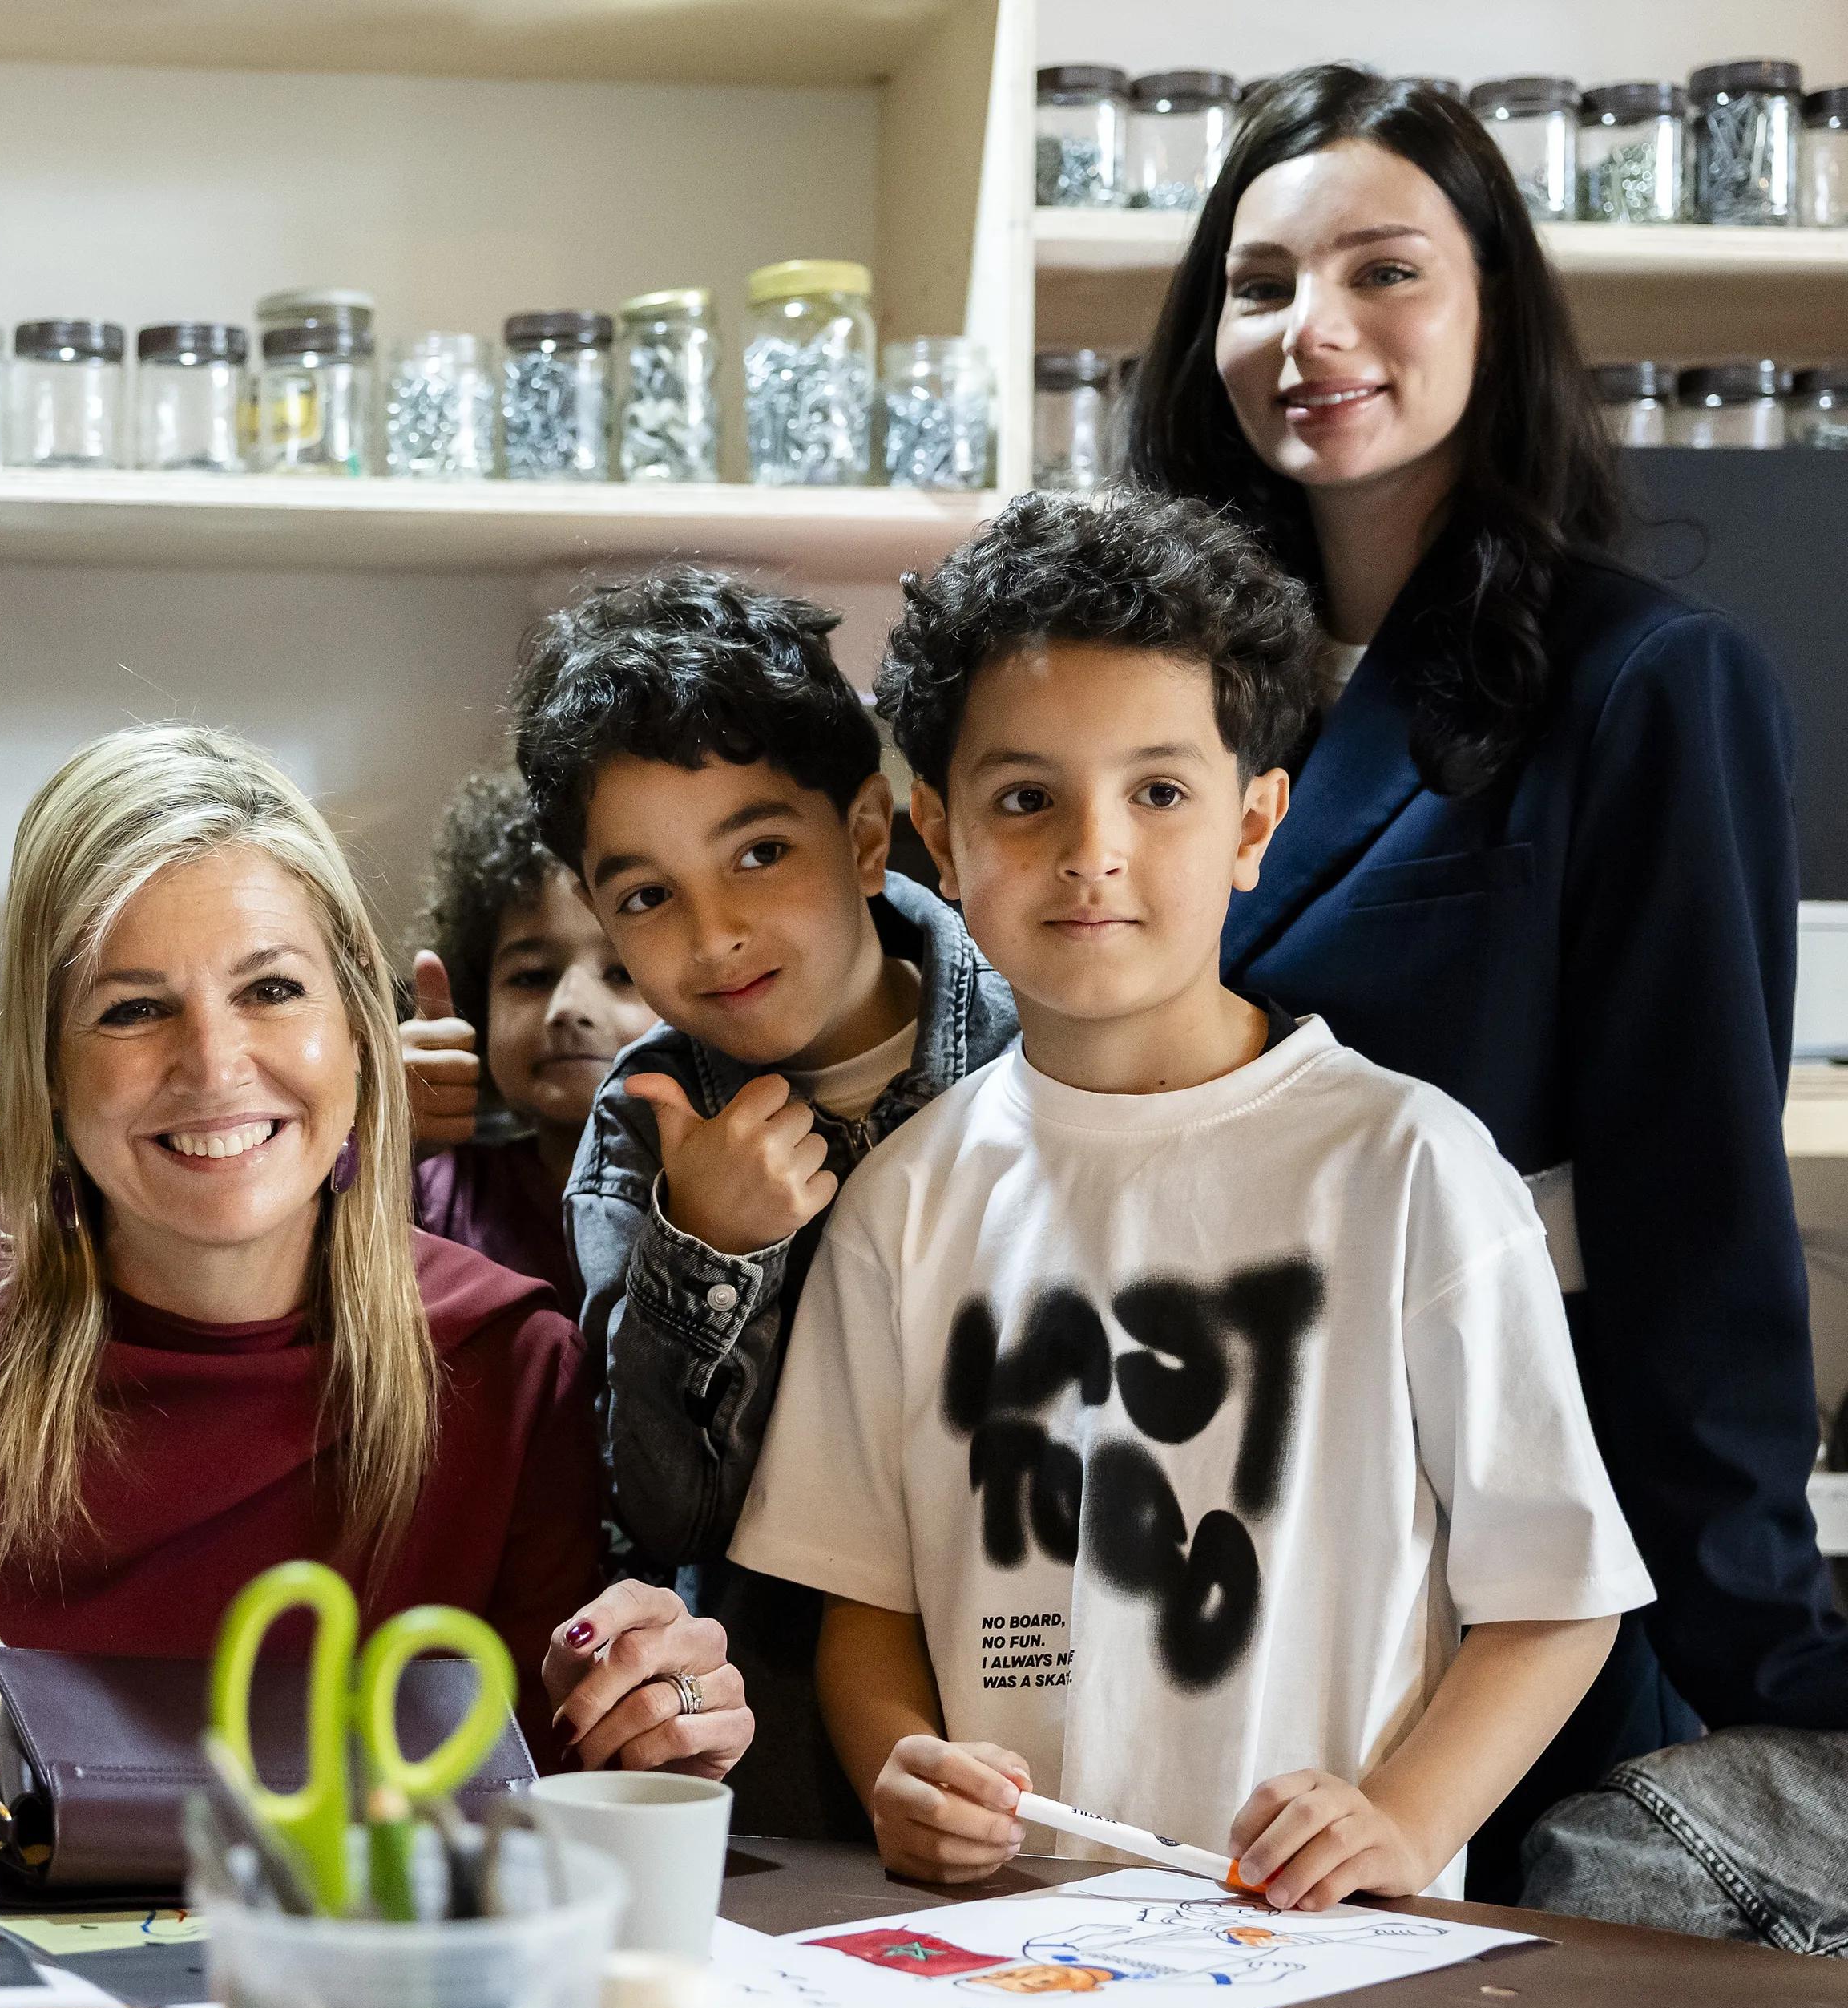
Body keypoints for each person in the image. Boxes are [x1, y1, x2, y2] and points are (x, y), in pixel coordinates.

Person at [1121, 66, 1848, 1898]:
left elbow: (1694, 1214)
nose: (1313, 332)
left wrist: (1758, 1670)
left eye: (1382, 272)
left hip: (1500, 1552)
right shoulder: (1161, 687)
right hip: (1181, 1503)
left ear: (1495, 309)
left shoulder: (1642, 684)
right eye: (1259, 281)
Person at [732, 489, 1653, 1910]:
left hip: (1321, 1945)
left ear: (1252, 824)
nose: (1092, 849)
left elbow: (1559, 1595)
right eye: (1025, 797)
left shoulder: (1412, 1169)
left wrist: (1403, 1825)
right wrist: (900, 1767)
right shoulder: (903, 1202)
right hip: (996, 1950)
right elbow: (868, 1601)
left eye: (1159, 791)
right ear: (937, 830)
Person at [0, 725, 751, 1776]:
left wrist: (645, 1718)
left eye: (270, 990)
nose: (214, 1066)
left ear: (359, 1022)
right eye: (132, 1009)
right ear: (45, 1066)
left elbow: (536, 1803)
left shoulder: (507, 1367)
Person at [514, 568, 1015, 1836]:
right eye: (647, 895)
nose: (716, 930)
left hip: (1043, 1703)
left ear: (864, 835)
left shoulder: (1043, 1037)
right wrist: (706, 1248)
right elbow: (669, 1509)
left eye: (759, 852)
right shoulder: (647, 1126)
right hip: (786, 1769)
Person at [401, 766, 657, 1314]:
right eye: (533, 977)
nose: (568, 1009)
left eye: (622, 974)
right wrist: (379, 1141)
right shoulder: (433, 1193)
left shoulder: (743, 1192)